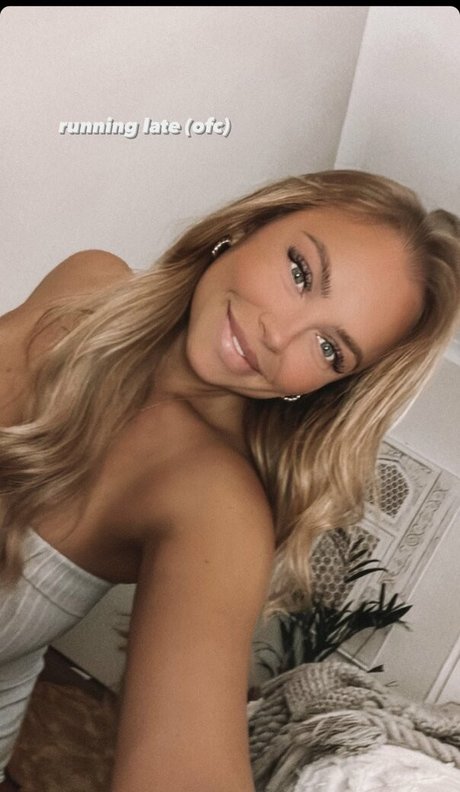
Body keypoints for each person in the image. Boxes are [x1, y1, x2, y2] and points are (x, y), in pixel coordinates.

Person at [0, 169, 459, 792]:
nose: (278, 334)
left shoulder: (217, 506)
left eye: (329, 349)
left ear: (324, 388)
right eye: (300, 272)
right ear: (246, 227)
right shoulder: (86, 284)